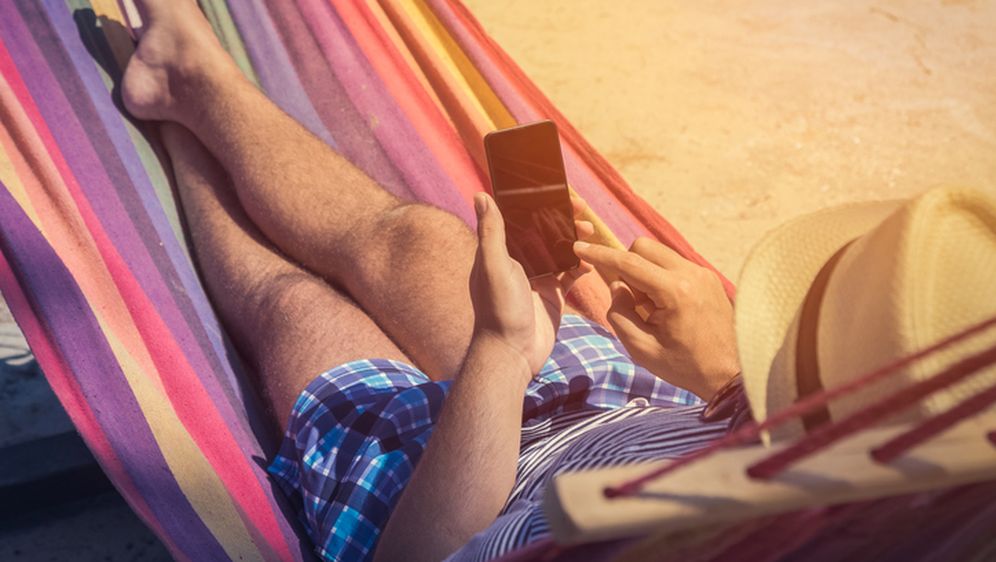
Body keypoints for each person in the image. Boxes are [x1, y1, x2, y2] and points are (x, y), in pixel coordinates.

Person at [120, 2, 996, 561]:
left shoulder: (705, 538)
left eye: (799, 346)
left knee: (298, 308)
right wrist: (731, 382)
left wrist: (502, 356)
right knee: (413, 238)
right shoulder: (934, 466)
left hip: (453, 501)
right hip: (616, 408)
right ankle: (193, 82)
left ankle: (175, 148)